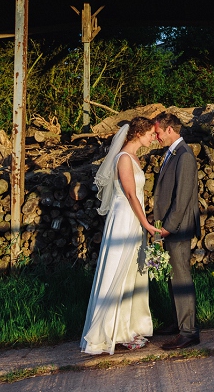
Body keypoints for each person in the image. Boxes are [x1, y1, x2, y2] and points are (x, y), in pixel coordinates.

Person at [81, 117, 159, 355]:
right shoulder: (124, 158)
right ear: (138, 133)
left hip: (132, 218)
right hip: (125, 219)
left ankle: (128, 328)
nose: (153, 138)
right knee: (118, 270)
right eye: (150, 134)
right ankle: (108, 331)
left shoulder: (134, 157)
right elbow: (130, 194)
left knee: (131, 273)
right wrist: (146, 223)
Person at [152, 111, 202, 350]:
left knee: (181, 277)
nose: (157, 137)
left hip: (179, 228)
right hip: (172, 227)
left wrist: (167, 228)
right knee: (173, 276)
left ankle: (189, 331)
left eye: (159, 132)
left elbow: (181, 200)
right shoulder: (172, 154)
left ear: (170, 129)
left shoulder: (184, 156)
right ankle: (177, 322)